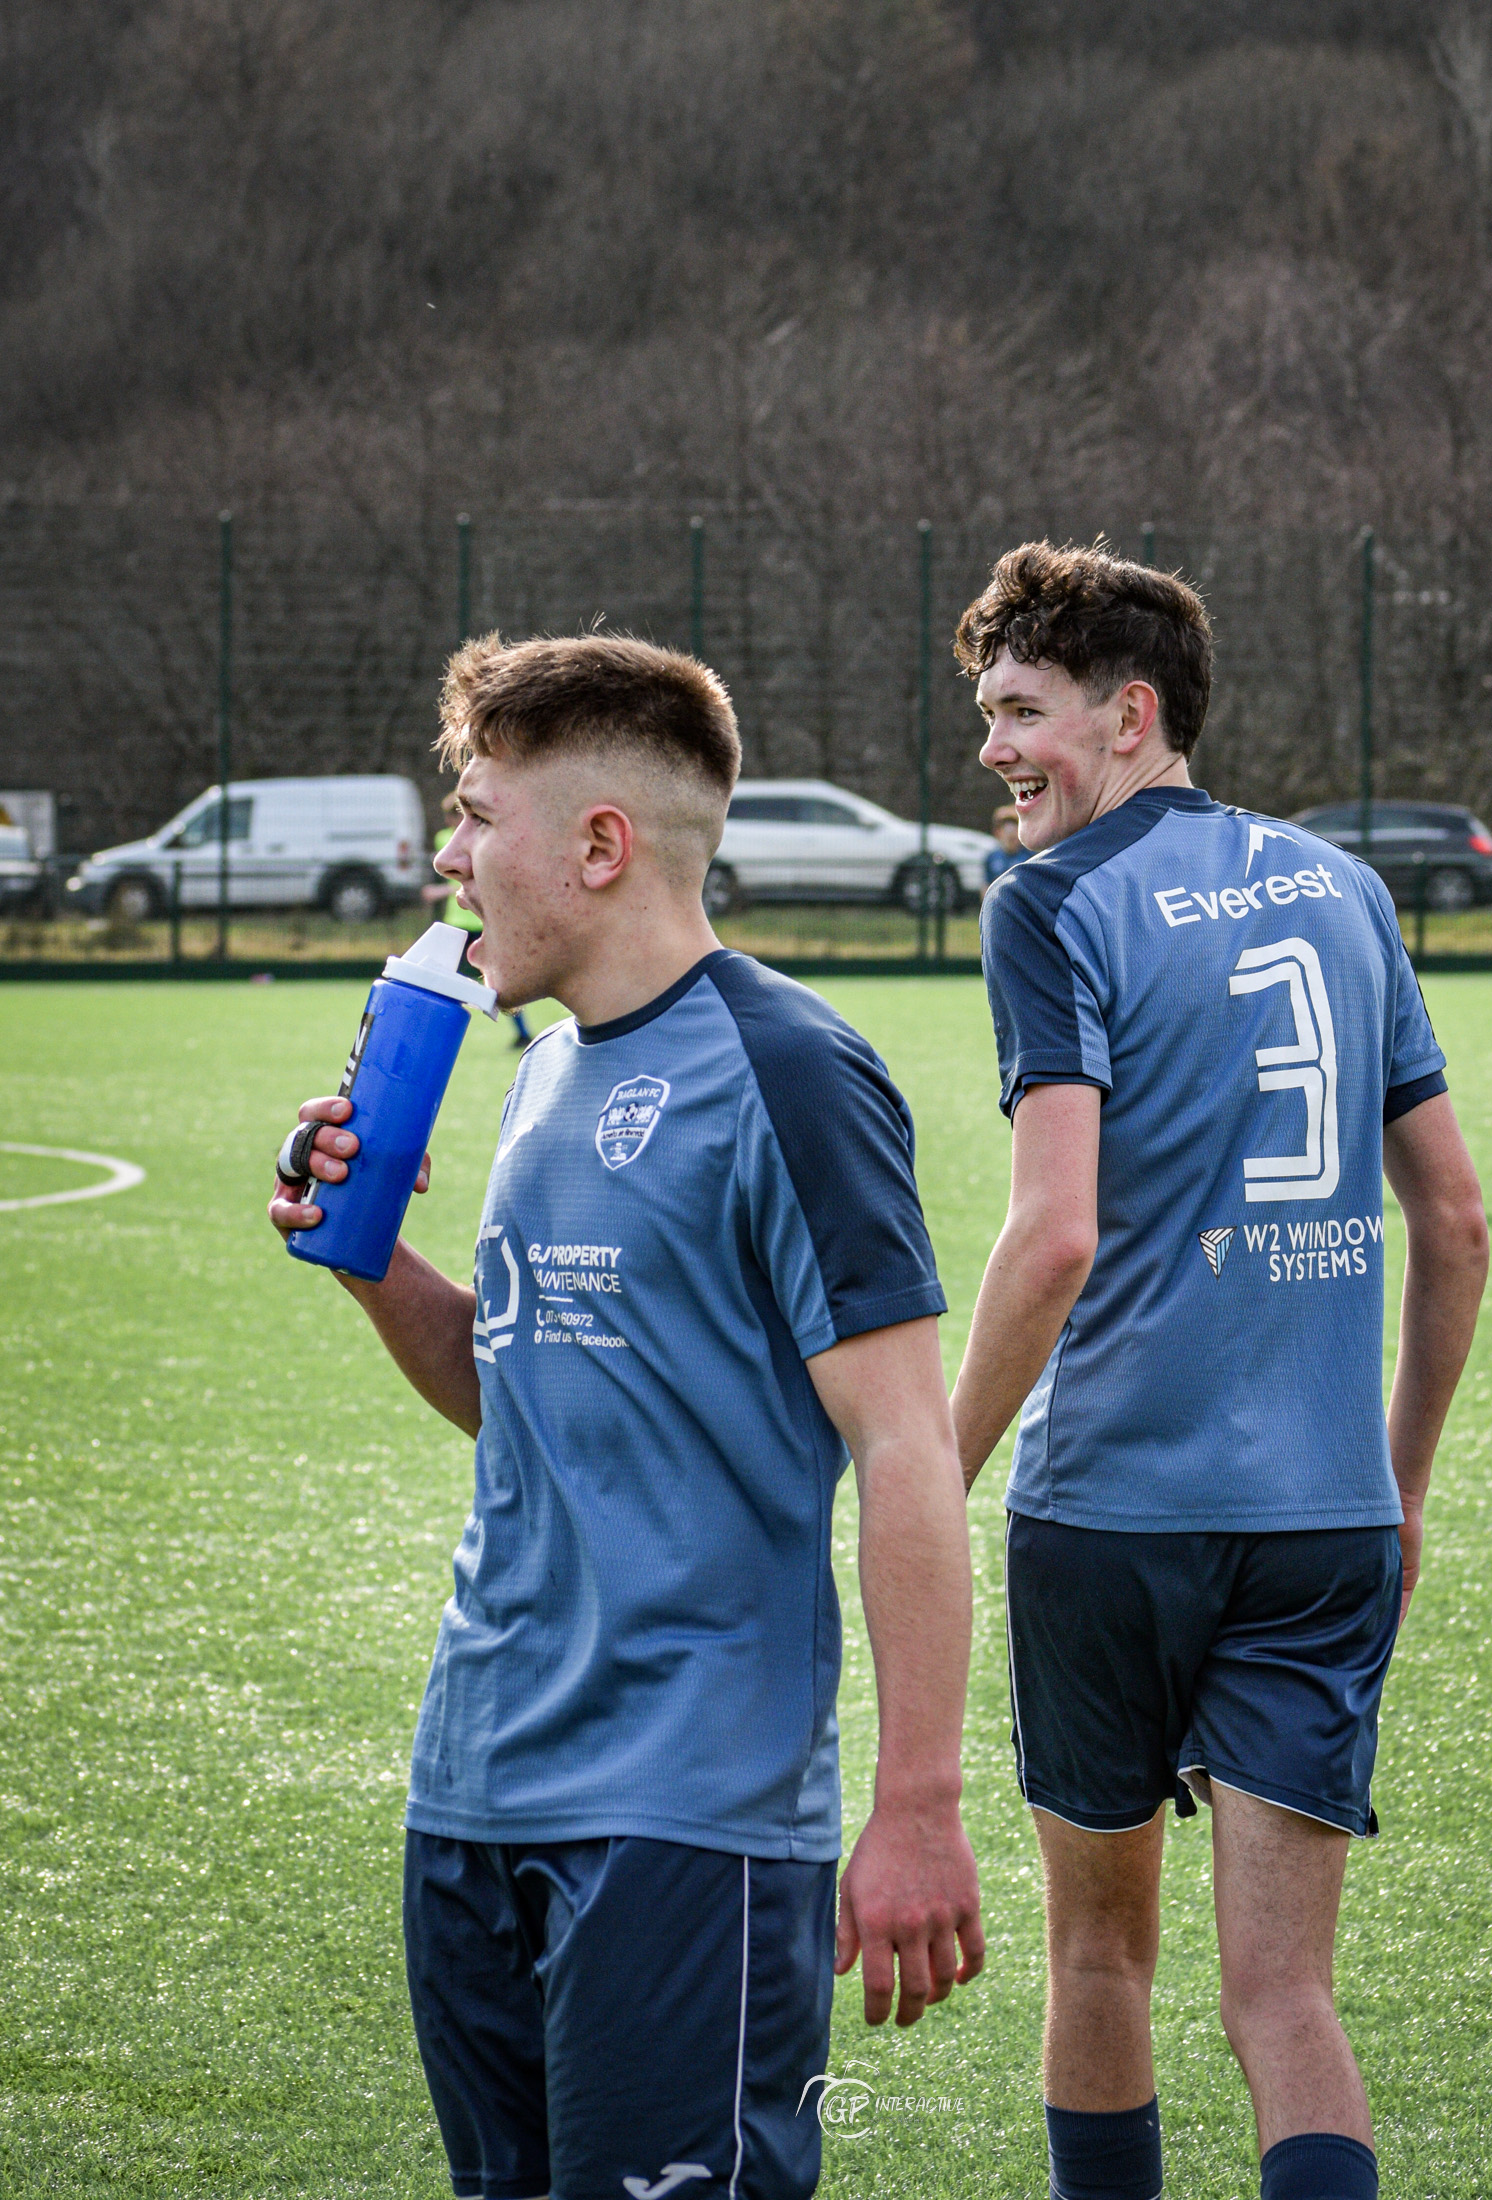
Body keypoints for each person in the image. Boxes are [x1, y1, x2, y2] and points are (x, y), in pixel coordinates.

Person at [268, 633, 983, 2200]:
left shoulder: (793, 1070)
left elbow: (908, 1448)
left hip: (689, 1824)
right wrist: (372, 1255)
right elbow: (516, 1396)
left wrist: (919, 1803)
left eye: (472, 815)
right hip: (471, 1788)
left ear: (600, 844)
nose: (444, 857)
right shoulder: (537, 1076)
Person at [946, 543, 1488, 2200]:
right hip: (1323, 1521)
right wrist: (1395, 1485)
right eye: (982, 714)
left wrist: (933, 1463)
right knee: (1287, 1993)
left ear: (1130, 716)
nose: (991, 750)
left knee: (1103, 1963)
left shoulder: (1048, 905)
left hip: (1114, 1515)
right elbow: (1454, 1220)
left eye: (1021, 711)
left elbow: (1052, 1242)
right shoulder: (1345, 889)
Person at [425, 788, 533, 1049]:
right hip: (456, 921)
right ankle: (435, 1032)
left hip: (478, 920)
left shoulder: (481, 839)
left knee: (498, 984)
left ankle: (522, 1031)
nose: (452, 824)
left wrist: (444, 890)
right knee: (441, 979)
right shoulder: (444, 840)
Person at [984, 801, 1028, 892]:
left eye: (1014, 827)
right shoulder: (992, 857)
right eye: (1006, 828)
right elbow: (985, 886)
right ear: (998, 832)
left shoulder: (1029, 856)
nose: (1010, 833)